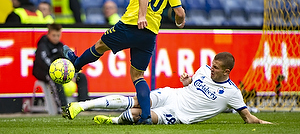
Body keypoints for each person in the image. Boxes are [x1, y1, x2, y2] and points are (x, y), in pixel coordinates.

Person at [62, 0, 186, 124]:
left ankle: (76, 64)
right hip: (150, 33)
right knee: (138, 76)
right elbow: (180, 12)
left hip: (132, 24)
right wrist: (179, 22)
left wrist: (141, 15)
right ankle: (145, 117)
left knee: (100, 45)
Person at [62, 52, 272, 125]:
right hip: (173, 93)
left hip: (179, 114)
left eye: (216, 69)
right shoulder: (203, 69)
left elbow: (247, 117)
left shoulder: (233, 92)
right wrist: (187, 81)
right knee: (134, 100)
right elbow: (191, 84)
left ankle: (114, 121)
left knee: (138, 116)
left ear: (227, 72)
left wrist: (265, 123)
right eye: (212, 65)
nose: (212, 70)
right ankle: (81, 105)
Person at [32, 23, 89, 113]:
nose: (56, 38)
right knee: (55, 79)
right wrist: (55, 71)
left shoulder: (61, 46)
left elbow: (69, 61)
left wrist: (72, 74)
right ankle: (62, 107)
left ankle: (84, 105)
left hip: (61, 71)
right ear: (48, 34)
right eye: (53, 35)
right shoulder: (43, 44)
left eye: (58, 35)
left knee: (81, 77)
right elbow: (43, 60)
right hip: (43, 71)